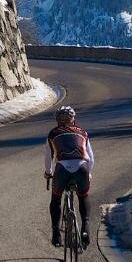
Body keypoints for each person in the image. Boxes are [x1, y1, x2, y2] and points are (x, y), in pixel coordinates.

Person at [44, 105, 94, 248]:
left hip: (62, 170)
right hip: (82, 168)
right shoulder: (83, 133)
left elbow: (48, 157)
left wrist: (48, 173)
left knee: (56, 199)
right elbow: (90, 158)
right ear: (73, 120)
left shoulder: (52, 134)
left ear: (58, 121)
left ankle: (56, 234)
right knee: (83, 195)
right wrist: (88, 173)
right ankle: (85, 226)